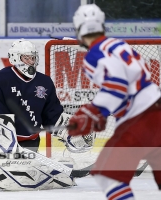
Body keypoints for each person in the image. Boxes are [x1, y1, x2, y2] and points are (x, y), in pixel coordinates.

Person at [68, 4, 161, 200]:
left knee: (109, 177)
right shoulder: (120, 45)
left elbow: (117, 85)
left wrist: (93, 112)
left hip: (139, 121)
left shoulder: (94, 54)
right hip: (157, 113)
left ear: (79, 30)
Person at [0, 39, 64, 188]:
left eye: (32, 57)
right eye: (26, 57)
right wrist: (5, 135)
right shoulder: (0, 79)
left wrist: (67, 131)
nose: (30, 61)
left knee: (11, 177)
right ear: (15, 58)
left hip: (28, 142)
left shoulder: (45, 82)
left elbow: (52, 114)